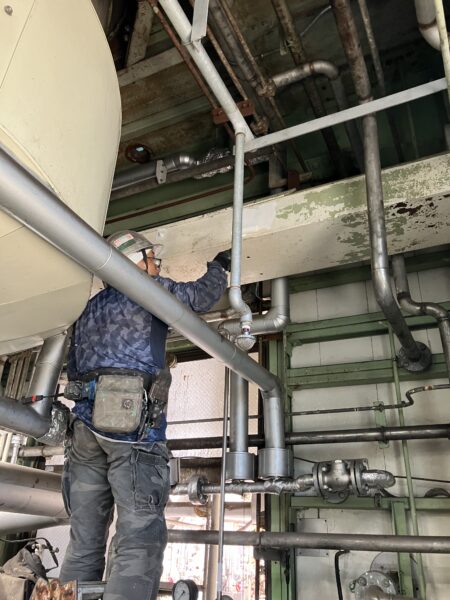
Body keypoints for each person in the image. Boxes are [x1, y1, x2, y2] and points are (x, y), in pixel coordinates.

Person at [59, 230, 231, 600]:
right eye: (153, 258)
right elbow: (201, 296)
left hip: (84, 433)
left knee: (84, 541)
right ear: (134, 261)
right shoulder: (147, 290)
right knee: (137, 538)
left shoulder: (86, 309)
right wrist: (220, 266)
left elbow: (73, 367)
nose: (157, 266)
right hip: (132, 433)